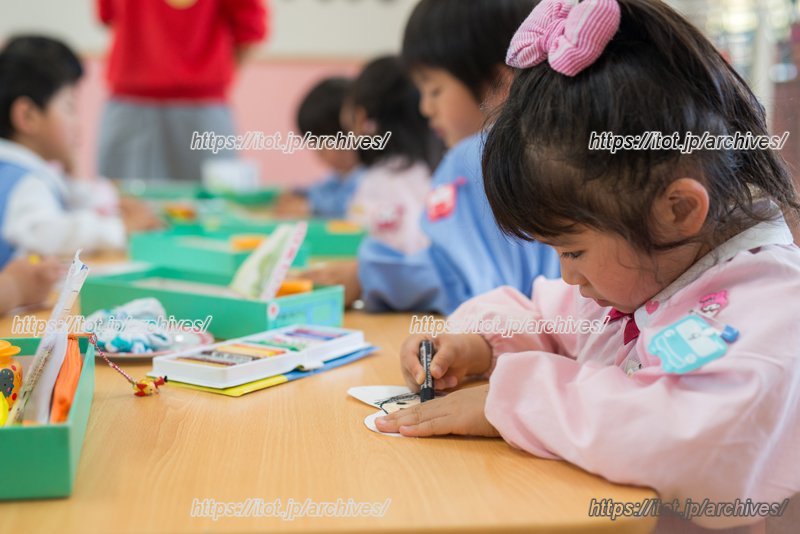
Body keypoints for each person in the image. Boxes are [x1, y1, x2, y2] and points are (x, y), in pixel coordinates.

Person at [379, 1, 800, 530]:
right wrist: (477, 344)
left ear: (678, 211)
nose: (566, 276)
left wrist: (510, 401)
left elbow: (688, 439)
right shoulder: (646, 274)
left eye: (573, 250)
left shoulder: (769, 305)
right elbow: (541, 310)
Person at [356, 0, 561, 315]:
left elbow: (462, 280)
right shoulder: (565, 145)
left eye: (434, 90)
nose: (425, 108)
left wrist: (367, 276)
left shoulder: (471, 157)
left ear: (498, 83)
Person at [0, 36, 160, 265]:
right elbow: (45, 235)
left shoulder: (18, 169)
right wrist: (119, 229)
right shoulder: (26, 182)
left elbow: (72, 203)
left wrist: (73, 170)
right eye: (70, 107)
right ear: (27, 116)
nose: (78, 122)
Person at [303, 56, 443, 304]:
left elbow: (401, 252)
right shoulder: (421, 173)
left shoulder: (389, 181)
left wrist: (361, 277)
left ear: (359, 117)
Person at [95, 0, 268, 181]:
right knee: (119, 200)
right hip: (139, 102)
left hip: (193, 104)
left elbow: (250, 27)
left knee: (214, 199)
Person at [274, 77, 364, 219]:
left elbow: (348, 207)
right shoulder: (341, 175)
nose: (318, 153)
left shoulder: (367, 176)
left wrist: (310, 208)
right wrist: (299, 194)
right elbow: (321, 189)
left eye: (321, 145)